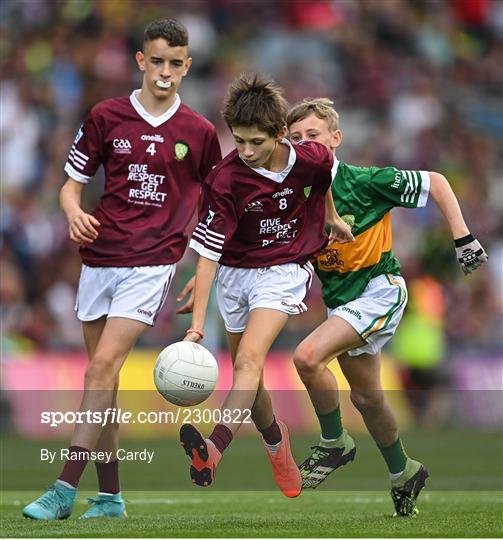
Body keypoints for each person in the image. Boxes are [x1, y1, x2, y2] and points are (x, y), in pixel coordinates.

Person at [22, 19, 222, 520]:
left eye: (175, 63)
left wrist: (204, 267)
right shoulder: (106, 116)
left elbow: (220, 205)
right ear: (140, 61)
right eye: (157, 61)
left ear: (187, 66)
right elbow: (71, 184)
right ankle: (110, 497)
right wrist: (73, 212)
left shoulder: (198, 132)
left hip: (152, 264)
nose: (165, 72)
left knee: (103, 367)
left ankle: (63, 487)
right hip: (99, 259)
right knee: (102, 381)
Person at [286, 98, 488, 516]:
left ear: (336, 139)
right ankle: (404, 472)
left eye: (313, 135)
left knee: (306, 358)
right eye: (296, 138)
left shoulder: (364, 181)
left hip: (380, 290)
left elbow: (435, 182)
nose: (304, 143)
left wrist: (463, 238)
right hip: (342, 301)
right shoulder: (294, 195)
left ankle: (333, 443)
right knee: (367, 398)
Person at [178, 74, 353, 498]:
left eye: (256, 142)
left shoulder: (309, 156)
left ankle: (214, 449)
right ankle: (277, 442)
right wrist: (197, 326)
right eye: (238, 141)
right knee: (249, 377)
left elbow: (326, 171)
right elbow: (208, 255)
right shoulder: (225, 180)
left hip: (286, 269)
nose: (246, 151)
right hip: (235, 275)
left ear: (279, 134)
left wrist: (329, 216)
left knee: (249, 360)